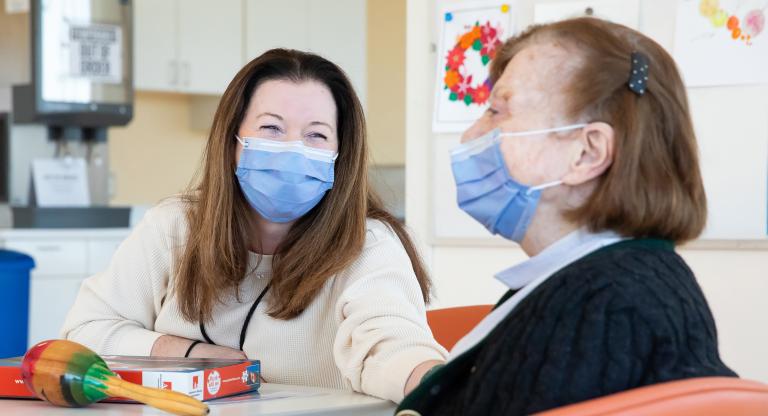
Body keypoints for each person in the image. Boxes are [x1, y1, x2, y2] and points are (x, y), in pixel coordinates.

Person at [61, 49, 446, 403]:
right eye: (271, 129)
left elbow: (391, 345)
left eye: (316, 135)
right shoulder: (173, 226)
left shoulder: (369, 245)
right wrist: (192, 354)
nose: (293, 150)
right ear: (232, 143)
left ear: (339, 156)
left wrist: (437, 383)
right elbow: (84, 333)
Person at [396, 17, 736, 416]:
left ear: (587, 152)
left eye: (496, 111)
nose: (471, 136)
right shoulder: (614, 284)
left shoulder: (606, 308)